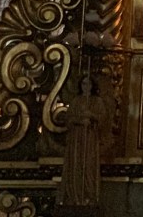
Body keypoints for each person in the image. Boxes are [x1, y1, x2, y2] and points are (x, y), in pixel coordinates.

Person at [58, 75, 104, 206]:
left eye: (88, 84)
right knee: (75, 165)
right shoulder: (76, 101)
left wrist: (92, 116)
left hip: (90, 137)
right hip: (76, 138)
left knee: (89, 165)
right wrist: (79, 120)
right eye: (83, 84)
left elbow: (103, 119)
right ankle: (75, 196)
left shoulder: (97, 101)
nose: (86, 87)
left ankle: (90, 195)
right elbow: (68, 119)